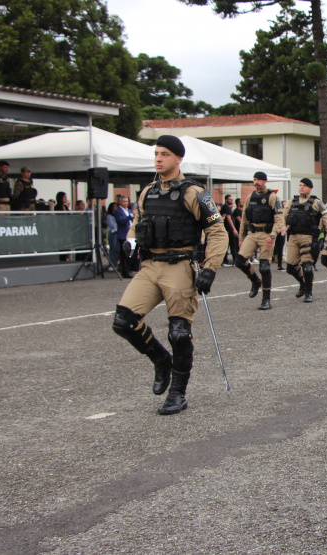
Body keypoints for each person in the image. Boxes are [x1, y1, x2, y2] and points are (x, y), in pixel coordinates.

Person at [111, 135, 228, 415]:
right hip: (151, 266)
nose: (159, 158)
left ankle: (177, 393)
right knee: (123, 321)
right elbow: (137, 223)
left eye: (165, 154)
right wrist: (129, 240)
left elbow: (217, 232)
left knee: (179, 332)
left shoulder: (193, 193)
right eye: (156, 154)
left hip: (180, 266)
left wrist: (210, 269)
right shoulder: (147, 192)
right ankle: (161, 359)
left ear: (178, 158)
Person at [236, 171, 286, 310]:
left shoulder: (272, 197)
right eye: (255, 179)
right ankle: (255, 281)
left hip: (266, 234)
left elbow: (279, 220)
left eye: (259, 180)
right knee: (239, 260)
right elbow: (244, 219)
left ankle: (266, 300)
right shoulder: (250, 197)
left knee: (264, 267)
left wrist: (272, 235)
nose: (256, 182)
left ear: (265, 181)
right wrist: (241, 238)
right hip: (252, 234)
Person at [282, 177, 327, 302]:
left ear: (310, 188)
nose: (301, 187)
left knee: (307, 266)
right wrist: (282, 226)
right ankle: (303, 283)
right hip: (294, 237)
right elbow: (283, 217)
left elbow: (326, 216)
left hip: (308, 237)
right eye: (300, 185)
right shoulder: (292, 202)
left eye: (304, 185)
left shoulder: (316, 202)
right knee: (290, 267)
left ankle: (308, 293)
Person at [115, 196, 135, 278]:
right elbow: (121, 221)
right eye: (124, 201)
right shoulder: (118, 211)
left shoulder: (129, 210)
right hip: (123, 235)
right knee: (124, 254)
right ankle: (125, 271)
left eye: (127, 201)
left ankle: (129, 268)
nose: (125, 203)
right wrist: (130, 216)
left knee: (130, 253)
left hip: (130, 234)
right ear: (120, 202)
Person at [220, 195, 239, 267]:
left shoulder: (227, 208)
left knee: (231, 245)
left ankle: (229, 260)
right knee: (232, 245)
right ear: (226, 200)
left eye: (232, 199)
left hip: (229, 229)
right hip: (229, 229)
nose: (231, 201)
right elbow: (228, 218)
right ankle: (229, 261)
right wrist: (234, 229)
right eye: (229, 199)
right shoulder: (226, 207)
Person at [105, 201, 119, 272]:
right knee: (112, 249)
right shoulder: (109, 216)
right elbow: (113, 226)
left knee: (117, 249)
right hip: (113, 233)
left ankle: (116, 263)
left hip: (117, 233)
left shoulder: (116, 215)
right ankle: (111, 264)